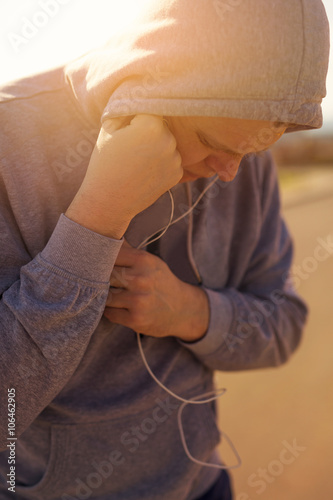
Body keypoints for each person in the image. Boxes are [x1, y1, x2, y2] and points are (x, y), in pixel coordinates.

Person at [0, 0, 329, 499]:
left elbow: (282, 326)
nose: (230, 172)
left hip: (203, 486)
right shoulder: (10, 140)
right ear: (147, 78)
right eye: (209, 141)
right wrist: (97, 218)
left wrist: (189, 312)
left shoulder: (241, 154)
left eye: (252, 151)